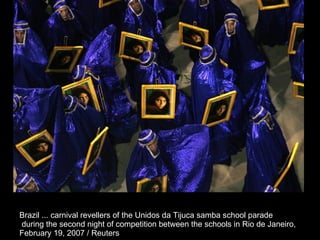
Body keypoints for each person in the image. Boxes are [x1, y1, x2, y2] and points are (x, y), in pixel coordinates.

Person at [243, 105, 302, 192]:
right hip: (270, 171)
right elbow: (259, 168)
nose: (269, 120)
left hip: (278, 166)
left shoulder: (268, 128)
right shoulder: (258, 139)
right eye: (266, 119)